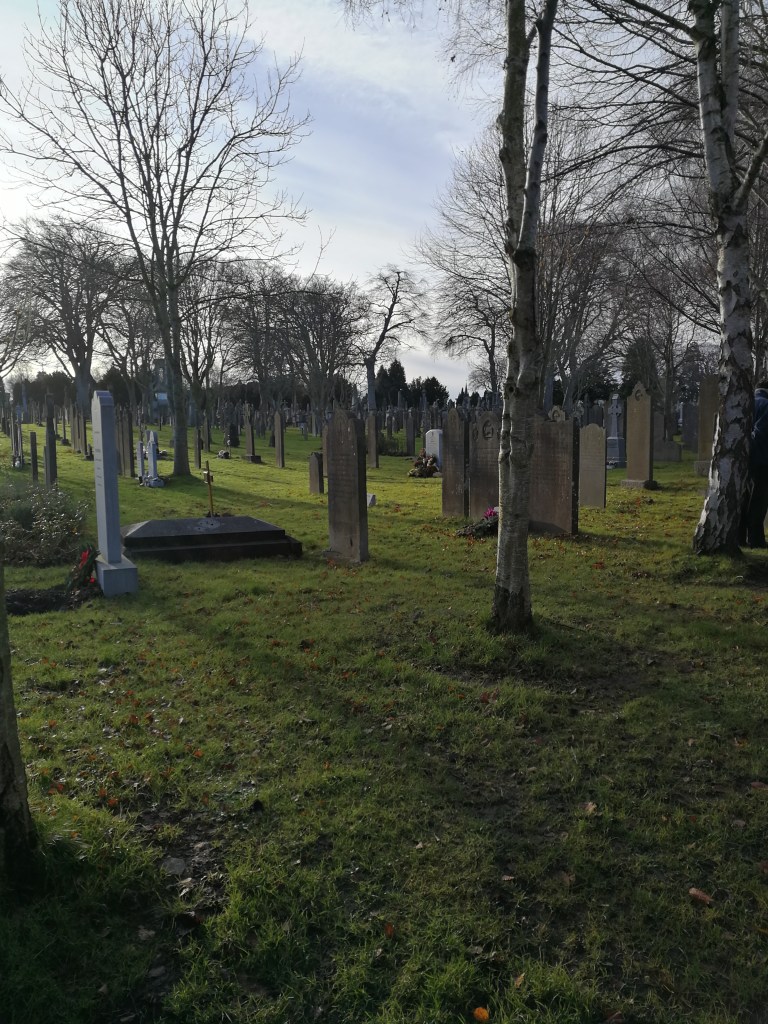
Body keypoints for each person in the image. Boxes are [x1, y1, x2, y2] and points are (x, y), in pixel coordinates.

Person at [745, 380, 768, 548]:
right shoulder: (766, 405)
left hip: (744, 460)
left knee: (745, 498)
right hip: (762, 460)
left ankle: (740, 537)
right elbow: (761, 433)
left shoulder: (745, 403)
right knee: (759, 501)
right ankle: (756, 539)